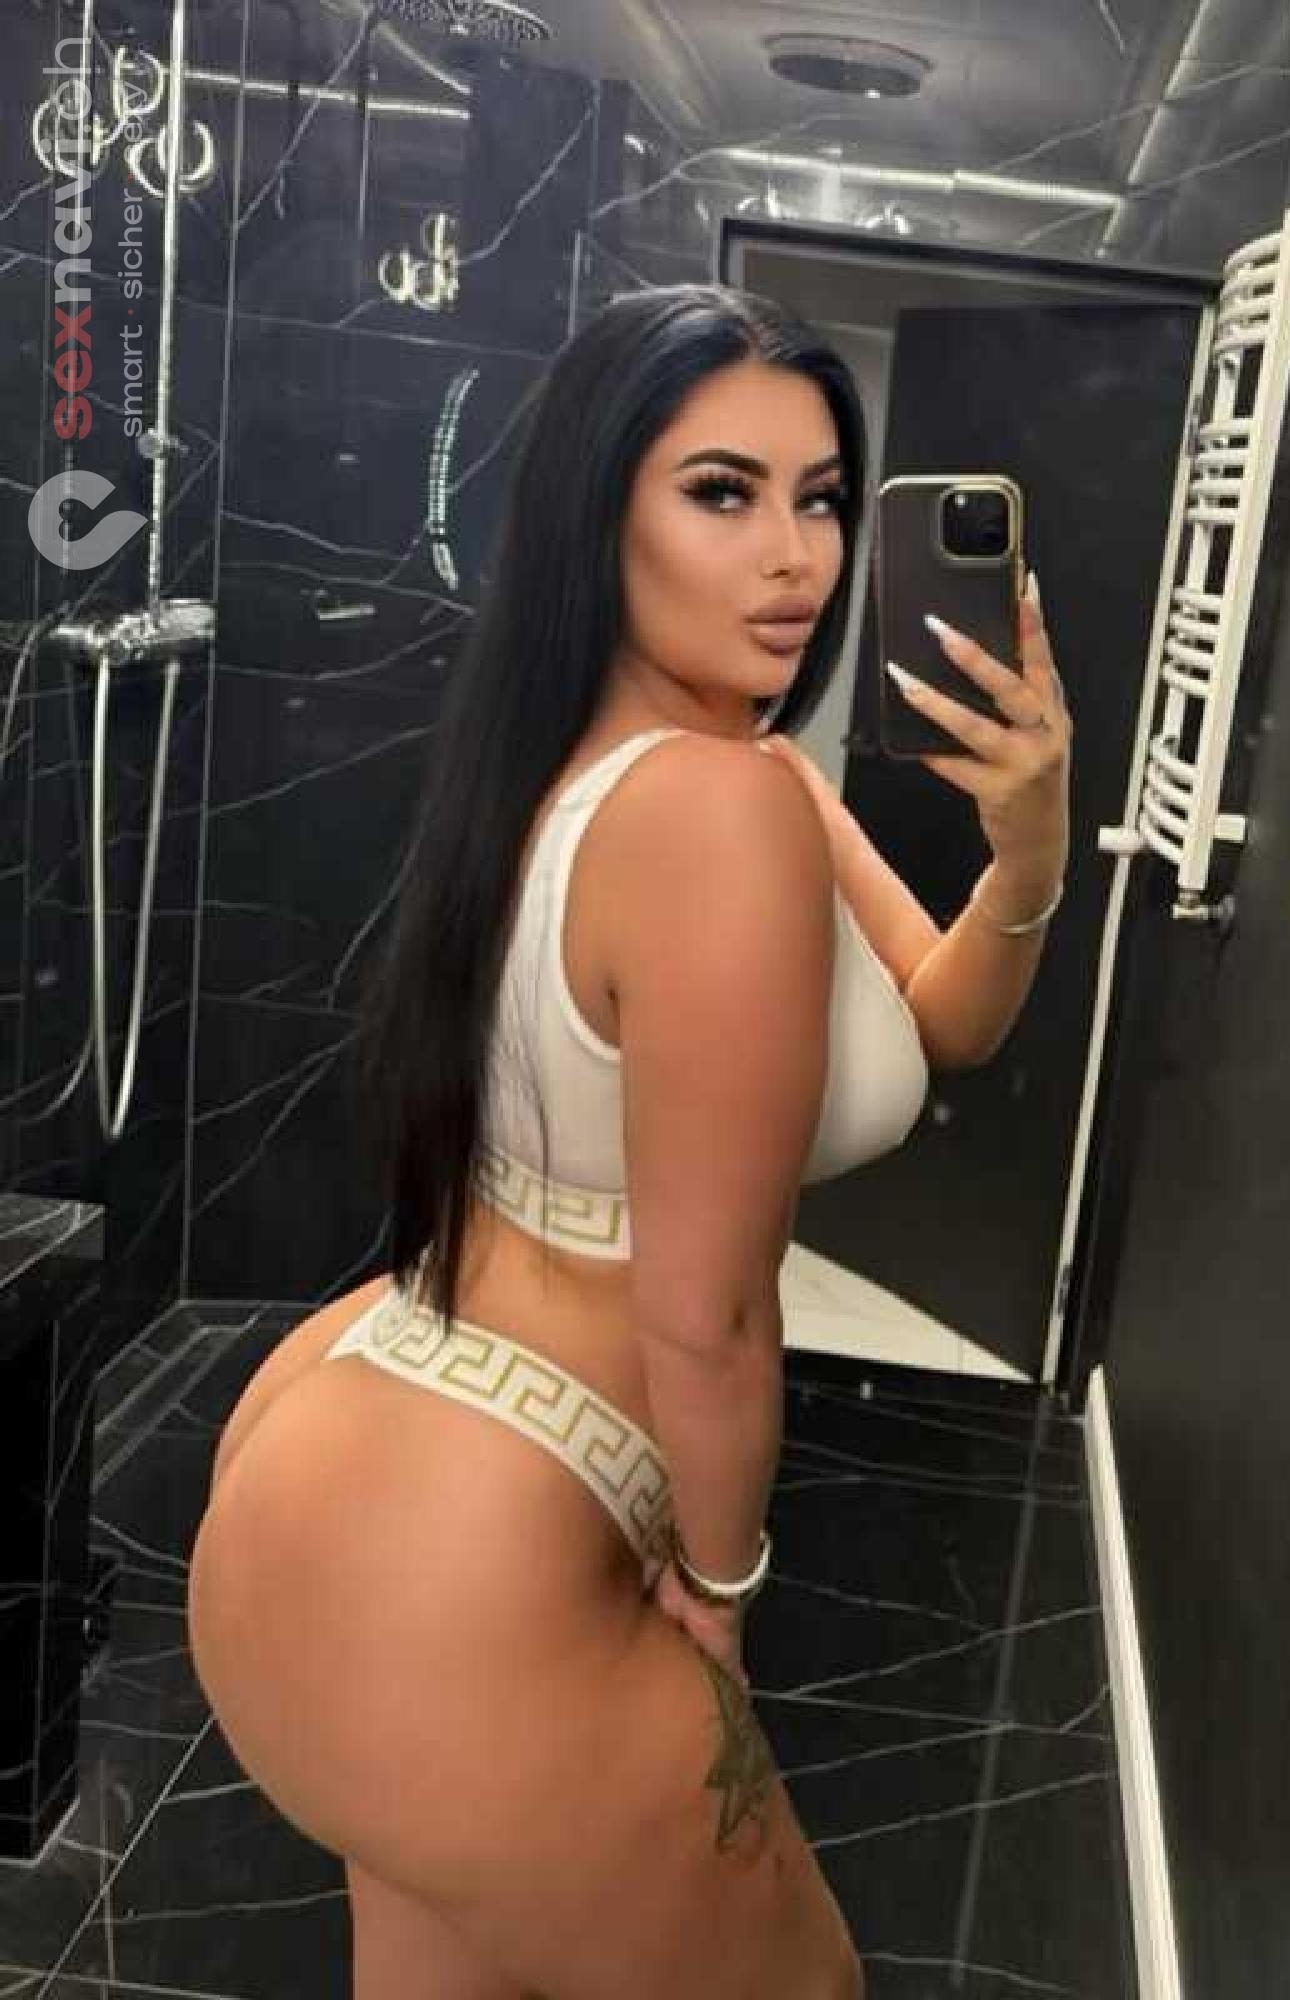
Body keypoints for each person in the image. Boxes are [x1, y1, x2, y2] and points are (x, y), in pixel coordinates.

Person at [183, 283, 1072, 2000]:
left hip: (364, 1438)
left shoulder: (675, 768)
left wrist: (1026, 855)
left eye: (822, 499)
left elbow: (946, 1017)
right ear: (602, 511)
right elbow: (709, 1313)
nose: (796, 557)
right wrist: (722, 1594)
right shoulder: (718, 806)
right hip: (471, 1552)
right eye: (722, 493)